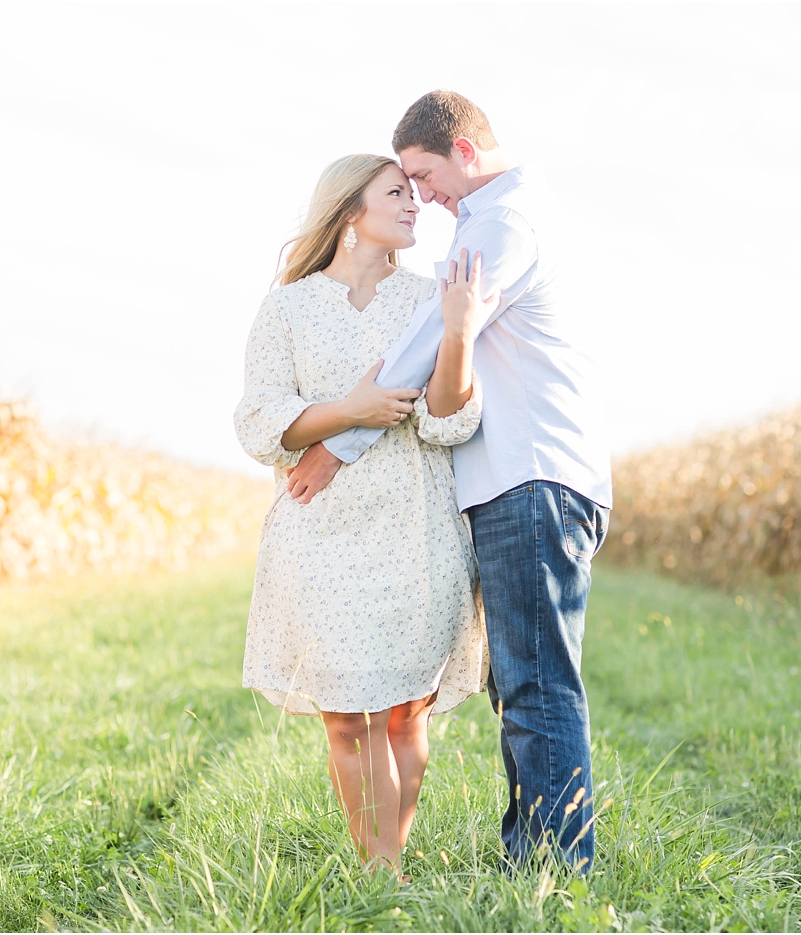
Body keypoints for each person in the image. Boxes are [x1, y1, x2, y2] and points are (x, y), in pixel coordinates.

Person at [284, 91, 613, 873]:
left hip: (531, 477)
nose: (424, 197)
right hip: (518, 480)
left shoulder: (503, 222)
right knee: (524, 685)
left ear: (464, 153)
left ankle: (555, 870)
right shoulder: (489, 219)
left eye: (425, 176)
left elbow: (433, 336)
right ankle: (536, 856)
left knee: (535, 687)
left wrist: (340, 439)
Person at [233, 153, 499, 877]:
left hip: (413, 525)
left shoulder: (428, 299)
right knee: (346, 716)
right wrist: (350, 408)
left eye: (415, 191)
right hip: (320, 528)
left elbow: (450, 421)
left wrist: (458, 333)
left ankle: (388, 860)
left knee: (407, 710)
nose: (414, 204)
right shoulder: (286, 307)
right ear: (351, 211)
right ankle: (377, 863)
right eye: (396, 192)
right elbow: (260, 421)